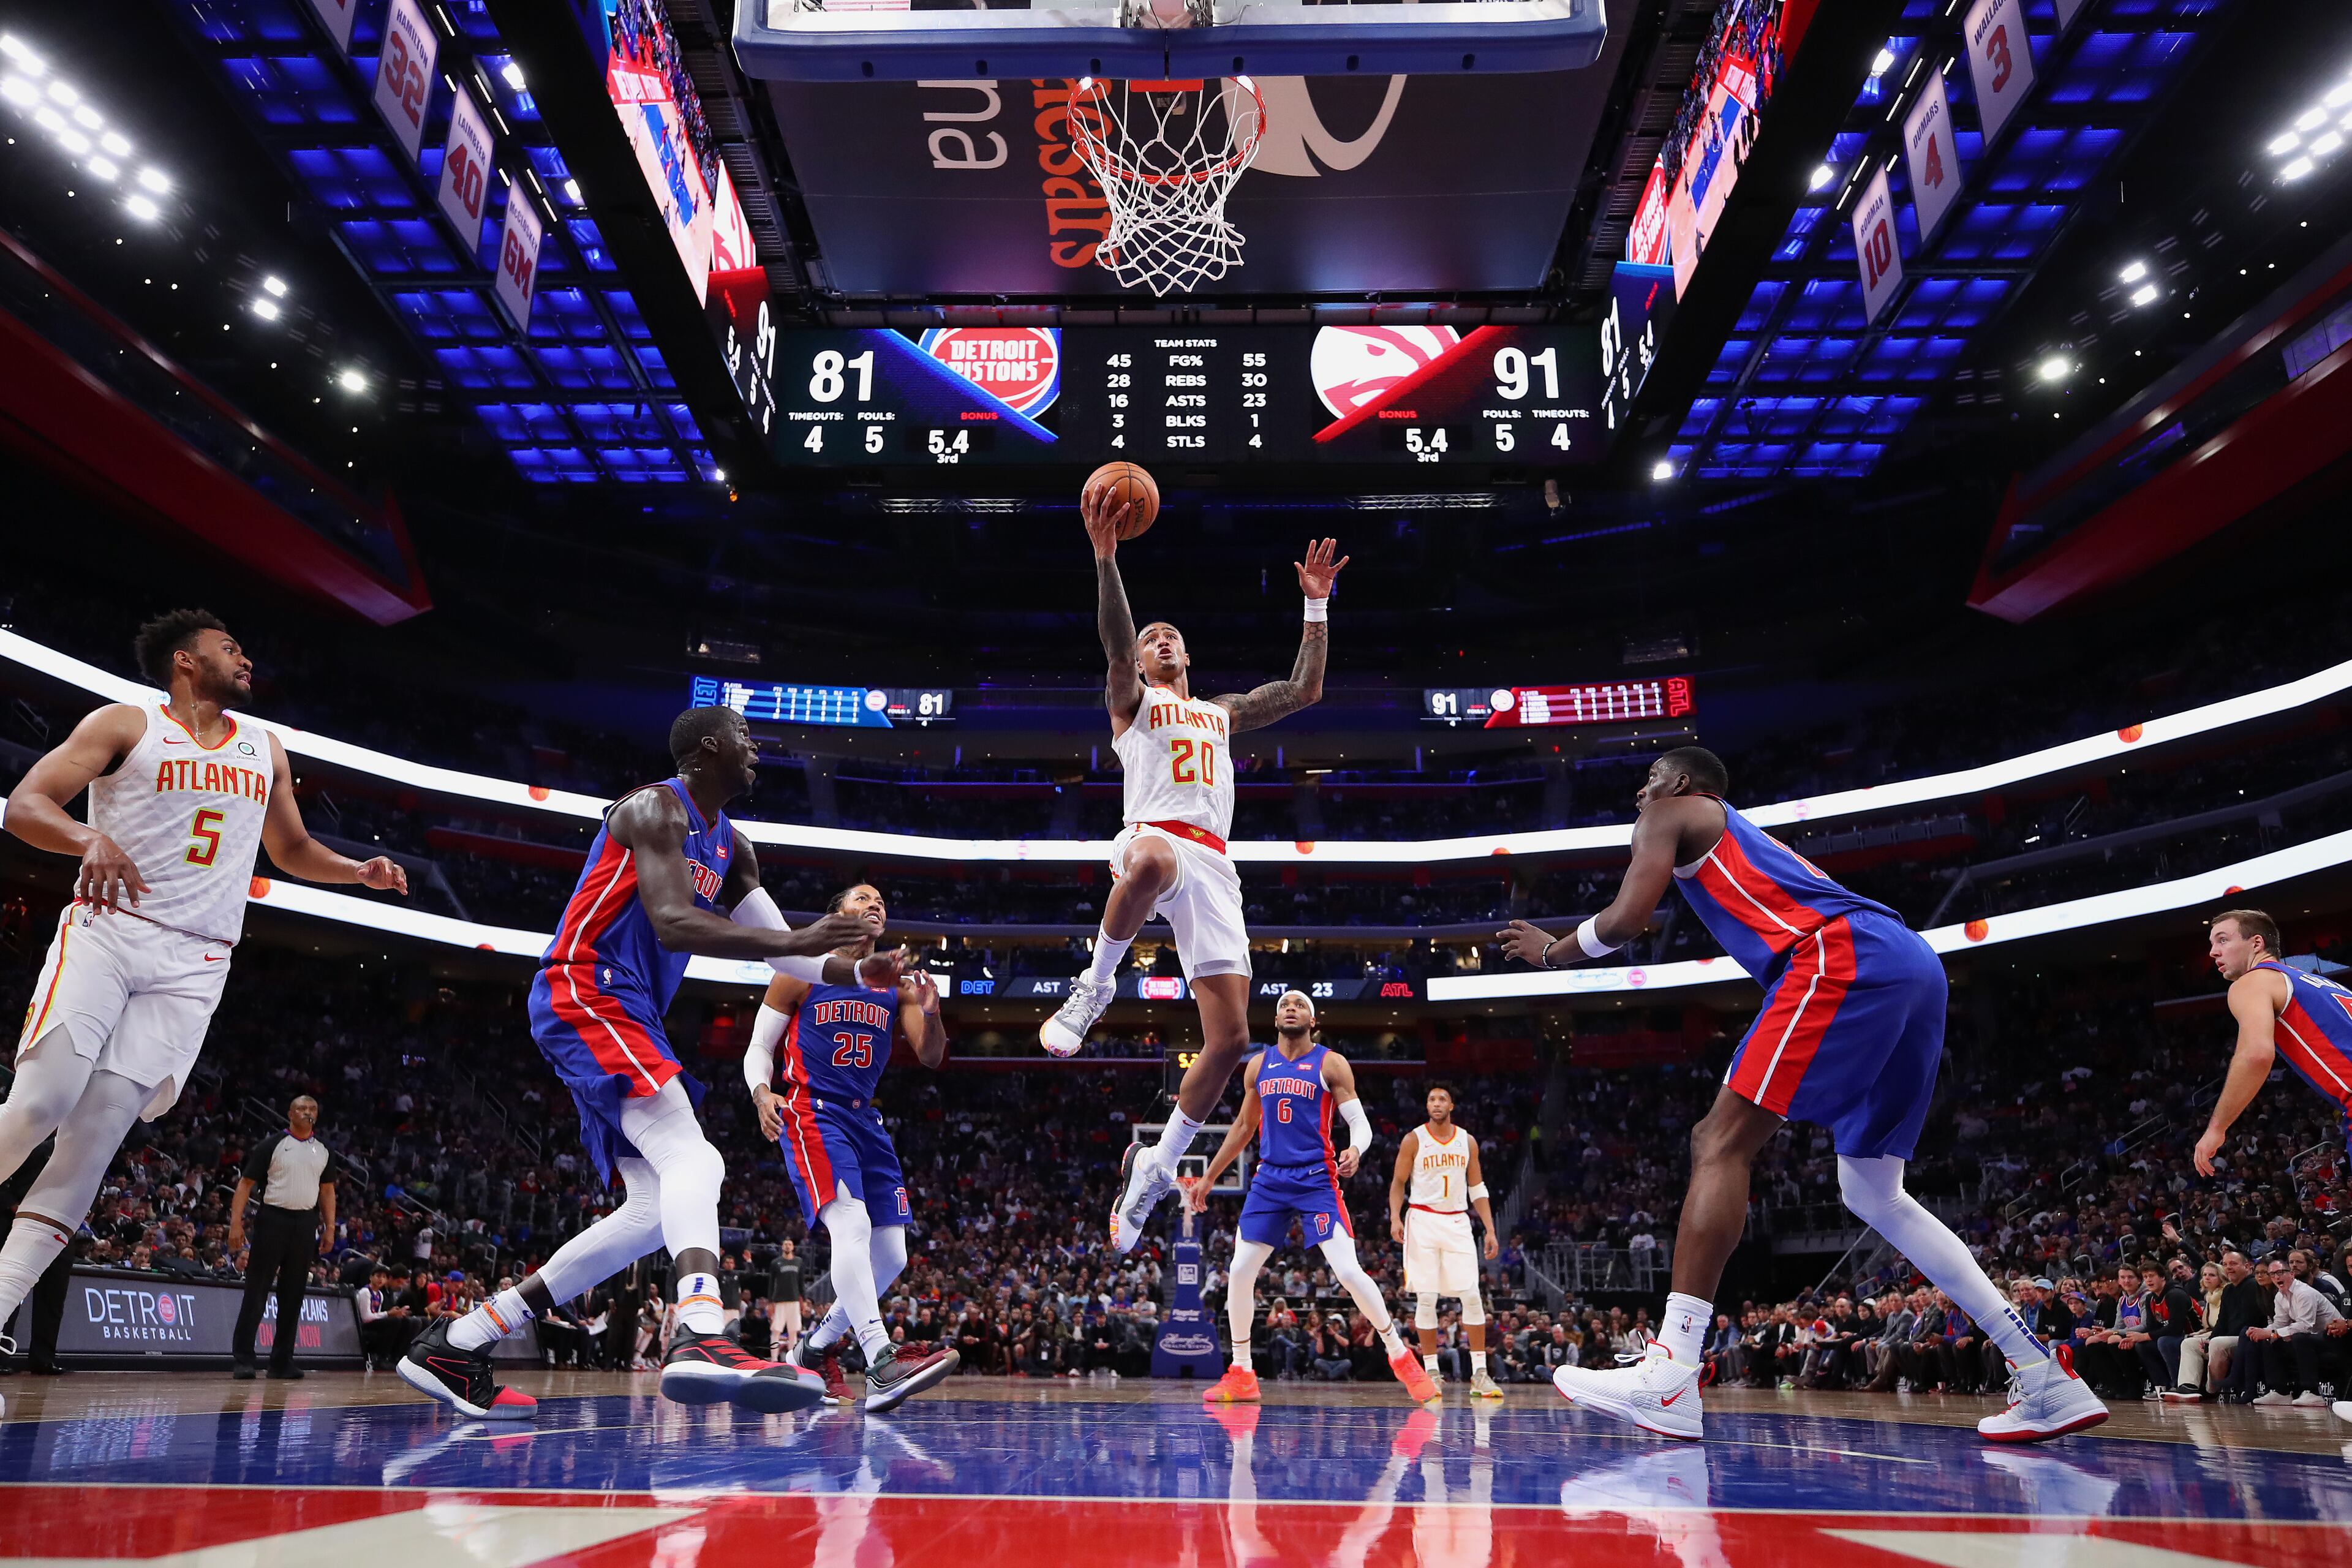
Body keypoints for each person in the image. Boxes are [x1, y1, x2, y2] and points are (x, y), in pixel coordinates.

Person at [1500, 746, 2104, 1443]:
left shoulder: (1670, 812)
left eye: (1651, 778)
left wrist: (1553, 951)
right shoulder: (1737, 834)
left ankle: (1670, 1369)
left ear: (1683, 783)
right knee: (1874, 1193)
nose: (1642, 791)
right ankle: (2042, 1372)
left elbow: (1627, 918)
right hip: (1911, 962)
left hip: (1838, 954)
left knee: (1717, 1139)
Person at [398, 705, 897, 1420]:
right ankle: (699, 1330)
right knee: (701, 1163)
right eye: (745, 739)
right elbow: (672, 920)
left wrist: (857, 974)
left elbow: (781, 948)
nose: (756, 750)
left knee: (652, 1211)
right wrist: (809, 941)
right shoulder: (655, 807)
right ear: (707, 747)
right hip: (587, 985)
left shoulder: (737, 848)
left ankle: (460, 1341)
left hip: (627, 1008)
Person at [0, 611, 405, 1343]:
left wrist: (355, 871)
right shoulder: (126, 722)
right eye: (231, 648)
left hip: (197, 962)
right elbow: (25, 806)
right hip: (111, 932)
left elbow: (290, 848)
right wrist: (88, 835)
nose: (245, 658)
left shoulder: (265, 747)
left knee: (92, 1141)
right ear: (186, 662)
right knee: (41, 1104)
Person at [1036, 482, 1348, 1257]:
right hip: (1154, 837)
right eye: (1152, 636)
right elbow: (1113, 643)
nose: (1162, 638)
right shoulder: (1130, 702)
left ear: (1189, 654)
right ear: (1139, 661)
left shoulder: (1220, 711)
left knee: (1230, 1038)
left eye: (1171, 633)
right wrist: (1106, 559)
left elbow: (1305, 689)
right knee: (1144, 859)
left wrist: (1315, 605)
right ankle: (1096, 985)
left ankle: (1156, 1166)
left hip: (1214, 863)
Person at [750, 882, 960, 1413]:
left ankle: (815, 1348)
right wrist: (761, 1092)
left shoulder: (899, 985)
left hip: (865, 1119)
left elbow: (933, 1057)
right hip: (811, 1110)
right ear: (837, 913)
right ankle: (880, 1360)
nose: (875, 905)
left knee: (892, 1254)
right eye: (862, 898)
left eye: (882, 902)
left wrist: (933, 1013)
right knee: (850, 1224)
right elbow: (759, 1046)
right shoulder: (803, 968)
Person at [1185, 989, 1439, 1405]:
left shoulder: (1330, 1063)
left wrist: (1357, 1149)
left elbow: (1359, 1122)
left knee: (1349, 1271)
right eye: (1285, 1004)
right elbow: (1244, 1129)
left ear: (1313, 1019)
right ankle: (1242, 1371)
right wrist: (1210, 1177)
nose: (1291, 1008)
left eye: (1300, 1005)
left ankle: (1399, 1354)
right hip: (1270, 1179)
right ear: (1275, 1019)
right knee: (1240, 1271)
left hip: (1316, 1179)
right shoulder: (1258, 1065)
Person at [2197, 909, 2352, 1180]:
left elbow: (2256, 1055)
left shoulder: (2253, 982)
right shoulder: (2322, 984)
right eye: (2211, 943)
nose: (2212, 952)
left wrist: (2216, 1128)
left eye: (2222, 940)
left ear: (2257, 943)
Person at [1387, 1083, 1503, 1398]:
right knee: (1427, 1298)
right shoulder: (1414, 1139)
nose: (1436, 1104)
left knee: (1472, 1296)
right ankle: (1432, 1374)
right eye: (1431, 1100)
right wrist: (1396, 1218)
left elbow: (1477, 1188)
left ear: (1451, 1105)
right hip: (1422, 1220)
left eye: (1442, 1099)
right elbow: (1398, 1182)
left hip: (1457, 1221)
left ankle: (1480, 1374)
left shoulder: (1467, 1141)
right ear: (1427, 1106)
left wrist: (1490, 1229)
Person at [228, 1094, 338, 1379]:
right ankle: (243, 1358)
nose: (307, 1112)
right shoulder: (273, 1144)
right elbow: (245, 1184)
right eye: (301, 1108)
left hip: (306, 1224)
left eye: (312, 1108)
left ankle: (281, 1361)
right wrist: (236, 1224)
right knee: (257, 1289)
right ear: (290, 1113)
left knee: (294, 1294)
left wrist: (330, 1227)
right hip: (273, 1218)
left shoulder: (323, 1151)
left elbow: (327, 1191)